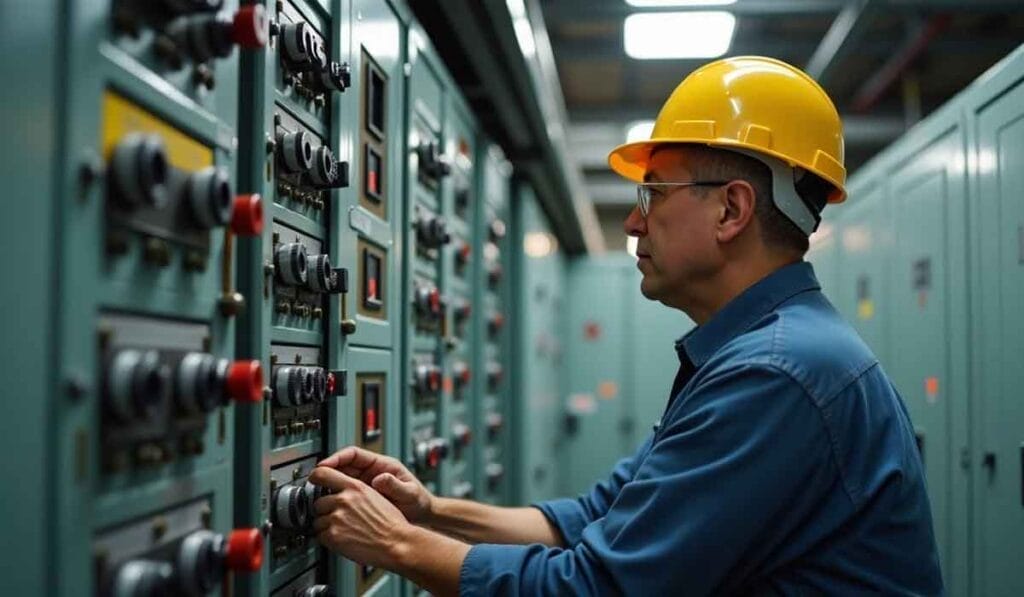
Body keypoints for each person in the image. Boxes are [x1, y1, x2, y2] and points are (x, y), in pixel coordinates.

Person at [307, 56, 944, 595]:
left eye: (654, 194)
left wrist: (397, 544)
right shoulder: (760, 353)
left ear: (731, 209)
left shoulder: (777, 374)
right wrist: (430, 511)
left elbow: (595, 586)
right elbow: (594, 517)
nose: (634, 224)